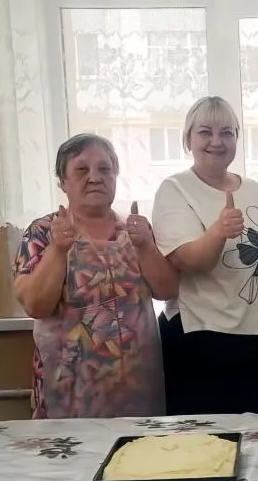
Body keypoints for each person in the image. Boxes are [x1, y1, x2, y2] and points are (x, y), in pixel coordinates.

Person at [13, 134, 175, 418]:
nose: (95, 177)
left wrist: (146, 247)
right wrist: (58, 250)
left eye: (104, 169)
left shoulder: (133, 230)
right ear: (63, 182)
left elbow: (167, 290)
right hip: (67, 389)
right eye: (81, 170)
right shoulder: (43, 231)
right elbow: (35, 305)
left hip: (135, 389)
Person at [151, 96, 258, 415]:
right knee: (205, 440)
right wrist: (218, 231)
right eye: (205, 132)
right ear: (188, 139)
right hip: (202, 339)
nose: (216, 141)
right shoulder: (175, 189)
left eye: (226, 132)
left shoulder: (253, 188)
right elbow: (187, 260)